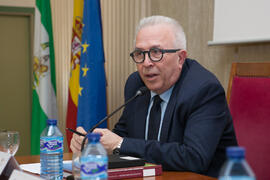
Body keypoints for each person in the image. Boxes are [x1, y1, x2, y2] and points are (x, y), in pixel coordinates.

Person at [70, 15, 237, 177]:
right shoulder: (136, 84)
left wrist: (119, 144)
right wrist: (92, 143)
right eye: (139, 54)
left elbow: (194, 158)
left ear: (180, 58)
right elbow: (123, 136)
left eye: (156, 52)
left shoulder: (204, 90)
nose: (146, 63)